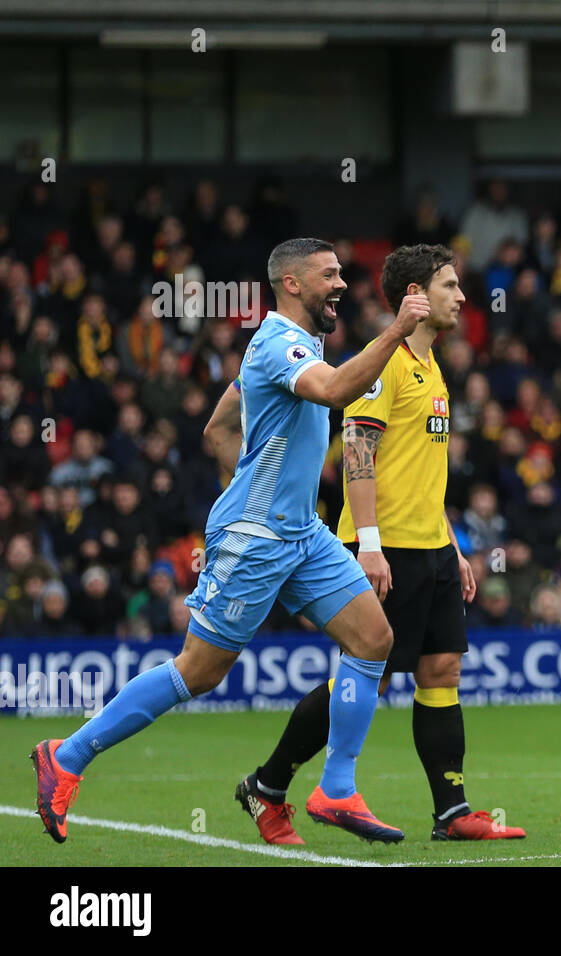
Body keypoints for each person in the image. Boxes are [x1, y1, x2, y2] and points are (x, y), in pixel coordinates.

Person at [32, 238, 425, 844]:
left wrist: (253, 481)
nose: (342, 283)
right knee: (199, 670)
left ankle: (336, 789)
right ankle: (67, 755)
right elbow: (336, 391)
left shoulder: (291, 346)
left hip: (301, 532)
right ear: (291, 284)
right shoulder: (278, 343)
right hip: (258, 538)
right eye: (329, 274)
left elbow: (218, 428)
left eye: (342, 273)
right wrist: (397, 329)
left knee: (374, 639)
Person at [236, 244, 525, 844]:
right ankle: (272, 783)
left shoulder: (433, 367)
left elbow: (421, 469)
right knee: (373, 674)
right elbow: (358, 459)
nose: (462, 297)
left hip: (430, 547)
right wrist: (369, 545)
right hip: (384, 547)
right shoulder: (385, 363)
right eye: (449, 286)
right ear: (415, 294)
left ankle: (452, 810)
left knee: (441, 670)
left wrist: (452, 543)